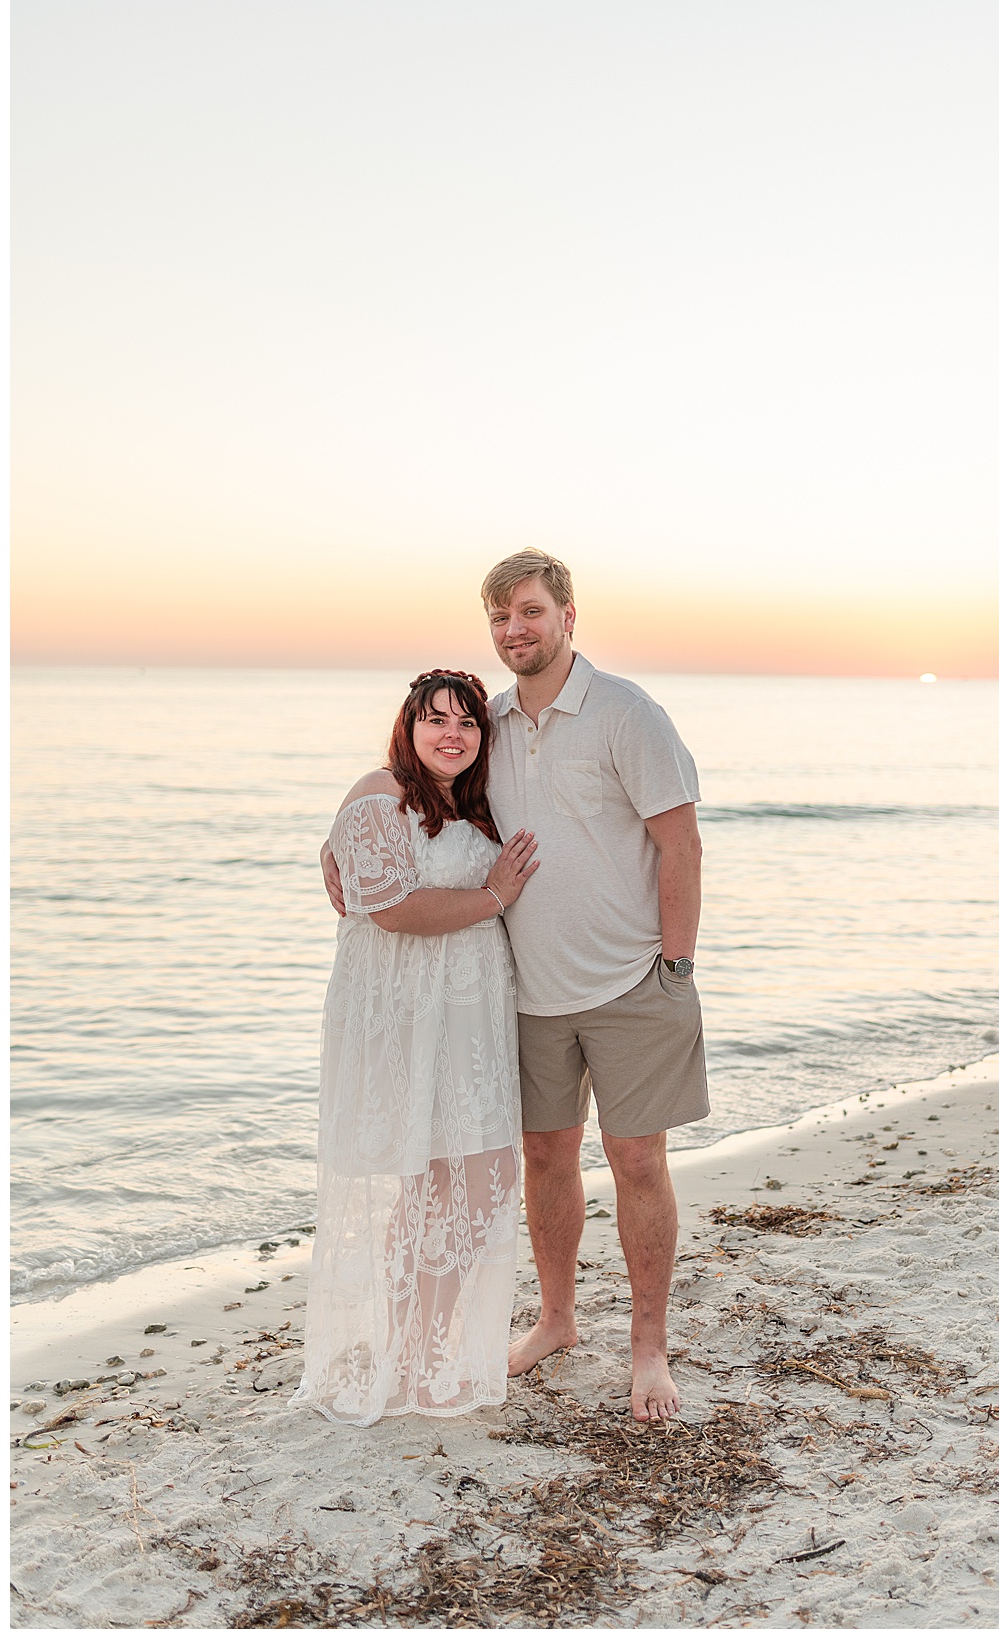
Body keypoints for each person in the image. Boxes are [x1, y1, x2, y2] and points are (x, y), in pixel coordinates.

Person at [324, 549, 706, 1422]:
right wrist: (333, 850)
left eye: (530, 612)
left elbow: (681, 844)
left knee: (638, 1157)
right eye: (500, 619)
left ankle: (649, 1350)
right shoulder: (488, 724)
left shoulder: (626, 713)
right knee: (542, 1158)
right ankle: (559, 1320)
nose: (514, 630)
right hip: (520, 996)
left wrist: (677, 967)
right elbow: (413, 805)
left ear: (568, 614)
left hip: (629, 978)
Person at [294, 670, 542, 1426]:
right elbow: (395, 909)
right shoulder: (380, 790)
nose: (452, 734)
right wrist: (496, 896)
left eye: (466, 722)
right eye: (435, 720)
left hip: (468, 1017)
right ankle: (421, 1353)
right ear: (409, 726)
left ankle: (419, 1348)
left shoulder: (472, 799)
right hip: (406, 1018)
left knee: (463, 1175)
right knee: (446, 1175)